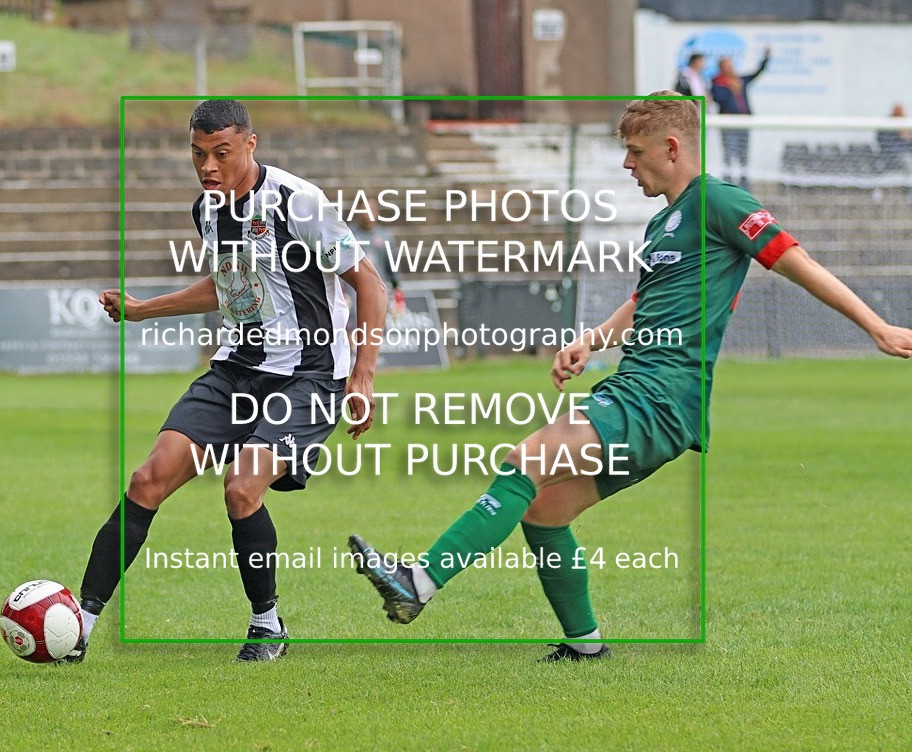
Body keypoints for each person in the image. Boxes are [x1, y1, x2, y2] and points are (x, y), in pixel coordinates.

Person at [349, 92, 912, 662]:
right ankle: (585, 644)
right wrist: (589, 340)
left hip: (662, 396)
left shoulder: (718, 200)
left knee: (525, 463)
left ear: (671, 148)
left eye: (635, 151)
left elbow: (796, 259)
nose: (627, 164)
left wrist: (875, 326)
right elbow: (645, 301)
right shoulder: (664, 222)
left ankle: (417, 583)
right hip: (640, 391)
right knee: (545, 510)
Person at [70, 100, 387, 662]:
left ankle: (267, 624)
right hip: (237, 368)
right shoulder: (208, 210)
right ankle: (78, 628)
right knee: (147, 479)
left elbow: (369, 284)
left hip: (310, 376)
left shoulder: (297, 201)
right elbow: (229, 287)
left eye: (220, 153)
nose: (208, 167)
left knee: (241, 488)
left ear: (250, 144)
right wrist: (144, 311)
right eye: (198, 154)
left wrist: (361, 376)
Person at [711, 48, 771, 191]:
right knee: (729, 155)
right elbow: (718, 99)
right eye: (727, 65)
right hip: (729, 124)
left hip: (744, 123)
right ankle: (728, 186)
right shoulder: (718, 83)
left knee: (743, 156)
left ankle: (744, 186)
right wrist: (731, 90)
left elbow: (757, 72)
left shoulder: (740, 80)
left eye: (731, 65)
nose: (730, 68)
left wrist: (766, 58)